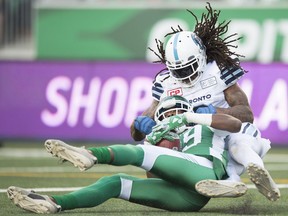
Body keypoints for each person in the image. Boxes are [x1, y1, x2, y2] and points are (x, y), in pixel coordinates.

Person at [130, 3, 280, 201]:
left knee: (237, 143)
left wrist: (214, 112)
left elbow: (246, 114)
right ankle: (226, 182)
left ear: (200, 58)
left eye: (187, 68)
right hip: (195, 143)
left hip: (227, 131)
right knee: (153, 146)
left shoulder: (218, 70)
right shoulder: (164, 82)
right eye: (177, 71)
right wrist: (139, 125)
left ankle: (253, 173)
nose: (183, 76)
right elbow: (137, 133)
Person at [7, 96, 243, 214]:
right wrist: (155, 141)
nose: (173, 115)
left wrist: (189, 117)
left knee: (139, 152)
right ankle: (55, 204)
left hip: (204, 168)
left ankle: (90, 154)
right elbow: (155, 180)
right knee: (114, 182)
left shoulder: (203, 123)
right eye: (167, 113)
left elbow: (235, 124)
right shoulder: (158, 137)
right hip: (188, 198)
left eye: (178, 111)